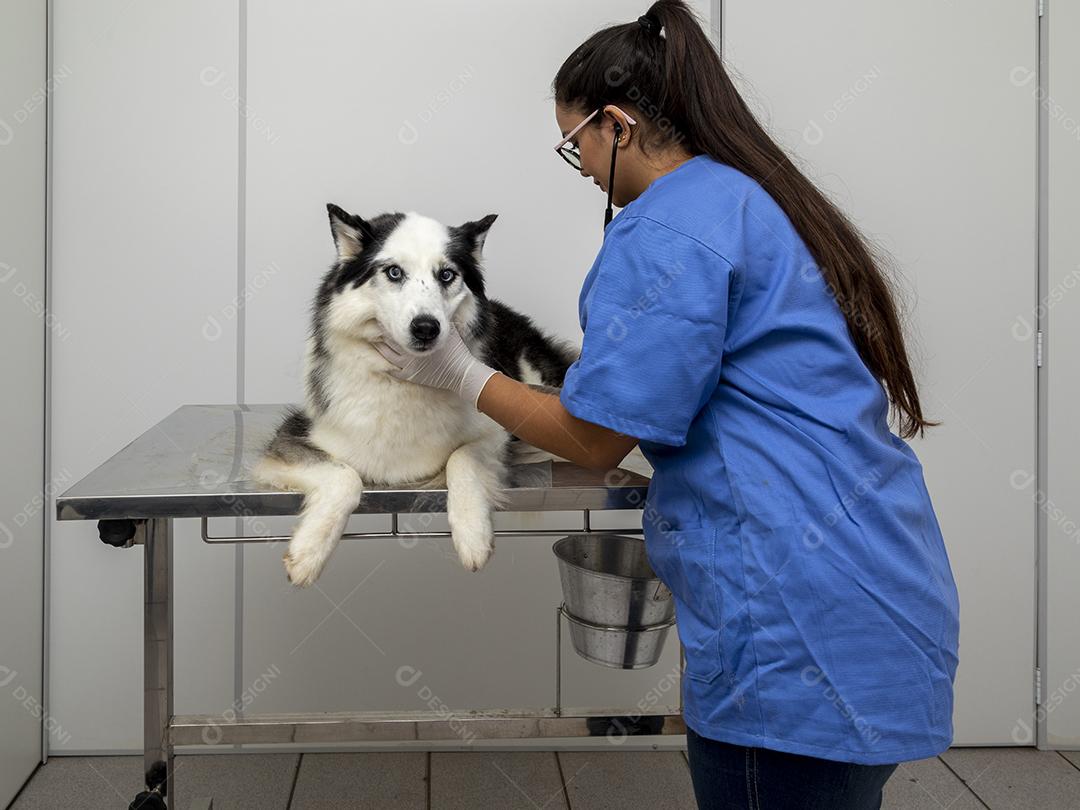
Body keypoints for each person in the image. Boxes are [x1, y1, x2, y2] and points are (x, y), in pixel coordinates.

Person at [375, 2, 960, 807]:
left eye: (572, 141)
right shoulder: (739, 198)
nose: (577, 163)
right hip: (866, 581)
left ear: (614, 125)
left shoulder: (670, 231)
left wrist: (456, 374)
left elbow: (591, 441)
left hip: (793, 617)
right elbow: (668, 390)